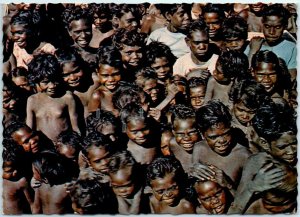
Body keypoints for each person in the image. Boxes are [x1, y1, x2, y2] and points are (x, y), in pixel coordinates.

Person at [229, 104, 297, 214]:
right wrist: (252, 187)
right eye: (282, 147)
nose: (291, 151)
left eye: (295, 143)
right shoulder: (256, 163)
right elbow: (235, 210)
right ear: (264, 143)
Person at [193, 100, 251, 188]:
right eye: (213, 137)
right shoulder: (199, 149)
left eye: (226, 134)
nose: (222, 141)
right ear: (202, 134)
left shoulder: (243, 156)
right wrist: (192, 174)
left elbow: (250, 196)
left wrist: (228, 184)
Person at [26, 53, 81, 141]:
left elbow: (75, 128)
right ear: (36, 81)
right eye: (45, 82)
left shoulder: (67, 97)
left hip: (64, 146)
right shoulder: (32, 100)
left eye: (55, 80)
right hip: (44, 148)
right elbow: (29, 130)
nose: (52, 86)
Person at [245, 4, 297, 82]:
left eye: (277, 27)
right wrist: (253, 51)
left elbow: (292, 78)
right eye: (267, 26)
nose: (271, 32)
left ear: (285, 26)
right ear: (262, 25)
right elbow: (244, 74)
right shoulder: (253, 44)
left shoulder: (291, 48)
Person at [56, 47, 99, 119]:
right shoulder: (60, 92)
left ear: (82, 67)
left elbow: (99, 110)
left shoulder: (95, 83)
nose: (73, 78)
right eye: (65, 75)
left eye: (76, 71)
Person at [62, 5, 98, 72]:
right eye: (78, 32)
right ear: (69, 32)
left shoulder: (99, 54)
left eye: (87, 30)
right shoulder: (64, 56)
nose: (84, 36)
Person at [88, 46, 122, 116]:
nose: (111, 80)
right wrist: (110, 114)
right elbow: (95, 119)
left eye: (115, 74)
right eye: (105, 75)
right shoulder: (98, 95)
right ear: (98, 73)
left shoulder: (126, 90)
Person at [2, 138, 34, 214]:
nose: (15, 172)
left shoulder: (21, 181)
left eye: (17, 168)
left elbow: (32, 204)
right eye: (9, 171)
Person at [169, 104, 201, 172]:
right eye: (180, 134)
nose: (186, 138)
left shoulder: (205, 146)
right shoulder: (173, 145)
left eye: (191, 132)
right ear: (174, 133)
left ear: (199, 130)